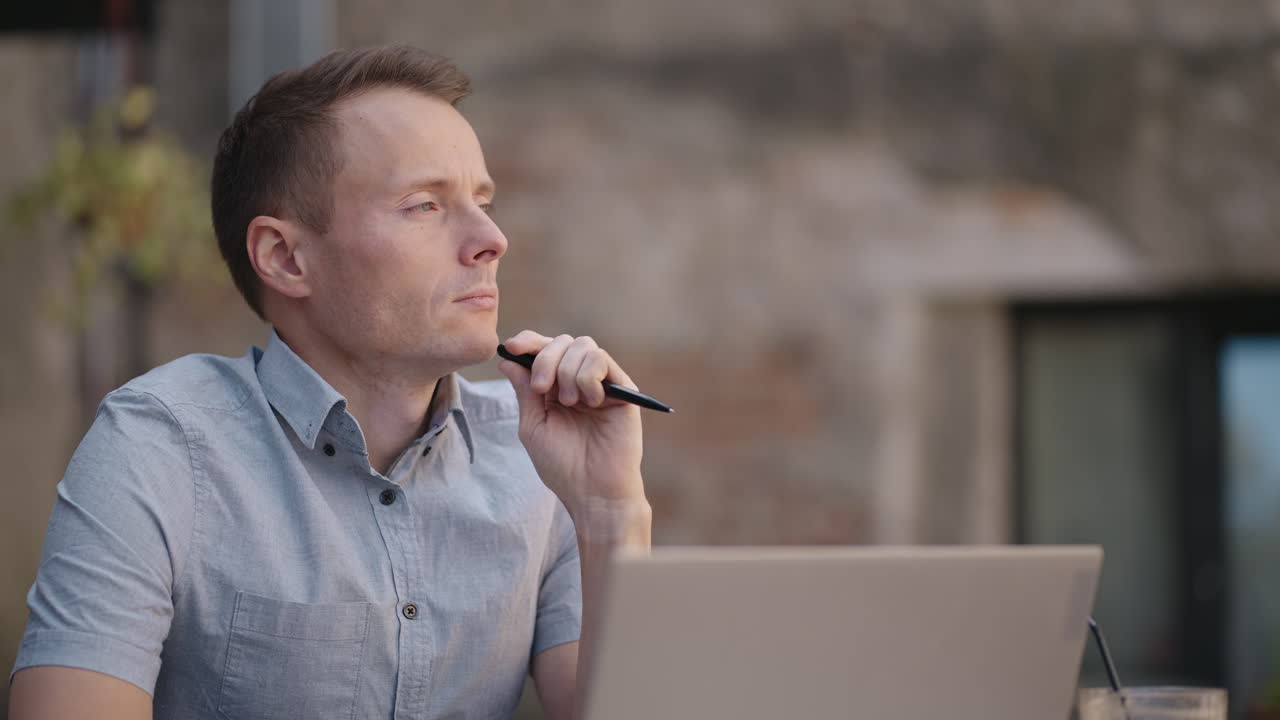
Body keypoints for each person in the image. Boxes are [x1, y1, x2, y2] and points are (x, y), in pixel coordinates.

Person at [9, 45, 651, 720]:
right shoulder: (159, 450)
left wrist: (608, 507)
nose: (492, 239)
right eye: (425, 205)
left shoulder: (533, 459)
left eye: (483, 201)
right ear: (285, 257)